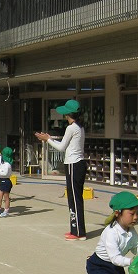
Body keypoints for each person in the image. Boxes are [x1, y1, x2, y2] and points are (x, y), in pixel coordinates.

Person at [35, 99, 87, 240]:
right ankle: (77, 230)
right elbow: (65, 145)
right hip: (78, 163)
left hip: (73, 164)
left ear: (68, 114)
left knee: (74, 199)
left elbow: (61, 148)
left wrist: (47, 139)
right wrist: (49, 138)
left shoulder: (71, 128)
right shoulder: (79, 127)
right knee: (75, 198)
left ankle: (78, 232)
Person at [0, 147, 14, 217]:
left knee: (6, 197)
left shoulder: (8, 165)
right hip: (2, 181)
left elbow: (5, 173)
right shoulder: (2, 164)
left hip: (6, 182)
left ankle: (6, 210)